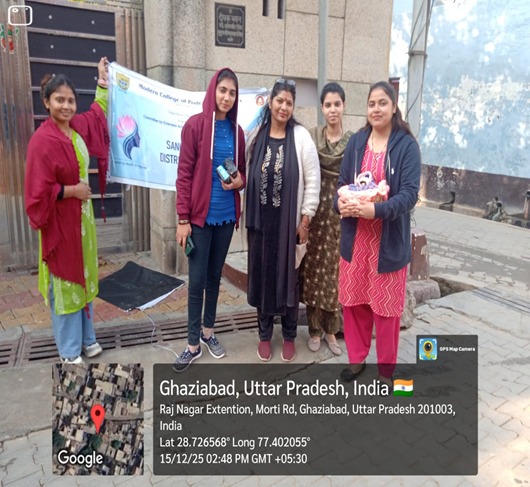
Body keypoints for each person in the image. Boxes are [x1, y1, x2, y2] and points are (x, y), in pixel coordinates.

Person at [24, 57, 110, 365]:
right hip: (59, 224)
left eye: (71, 100)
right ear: (47, 102)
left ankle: (87, 339)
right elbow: (36, 193)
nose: (66, 106)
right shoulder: (42, 142)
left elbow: (97, 113)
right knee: (65, 281)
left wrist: (102, 81)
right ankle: (69, 350)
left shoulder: (76, 130)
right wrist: (72, 191)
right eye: (59, 100)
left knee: (84, 275)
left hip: (82, 223)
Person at [335, 81, 421, 385]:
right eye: (372, 103)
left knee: (386, 311)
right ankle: (357, 360)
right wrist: (340, 203)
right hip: (356, 241)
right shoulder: (357, 142)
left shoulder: (406, 146)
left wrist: (376, 210)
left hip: (387, 244)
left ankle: (386, 372)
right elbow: (342, 183)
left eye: (383, 103)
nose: (376, 109)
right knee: (354, 304)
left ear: (394, 106)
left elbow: (409, 195)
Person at [174, 68, 246, 372]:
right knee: (197, 281)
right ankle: (192, 344)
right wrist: (183, 218)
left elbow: (240, 174)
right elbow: (183, 175)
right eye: (223, 90)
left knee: (215, 277)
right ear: (213, 90)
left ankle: (208, 332)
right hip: (199, 220)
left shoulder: (237, 132)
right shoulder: (195, 126)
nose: (227, 97)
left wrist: (240, 182)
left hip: (226, 218)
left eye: (232, 93)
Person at [246, 78, 320, 362]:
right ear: (270, 102)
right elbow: (245, 170)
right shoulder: (257, 134)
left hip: (289, 227)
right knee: (262, 279)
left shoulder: (301, 137)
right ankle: (264, 335)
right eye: (279, 101)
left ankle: (289, 335)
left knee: (290, 281)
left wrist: (305, 221)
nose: (284, 107)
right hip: (260, 226)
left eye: (289, 102)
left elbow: (313, 181)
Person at [300, 82, 353, 356]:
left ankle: (332, 330)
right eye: (328, 105)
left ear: (344, 106)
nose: (333, 110)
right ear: (322, 108)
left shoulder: (353, 142)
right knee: (312, 270)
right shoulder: (311, 137)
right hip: (315, 211)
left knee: (334, 272)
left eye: (337, 104)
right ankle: (314, 330)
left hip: (339, 215)